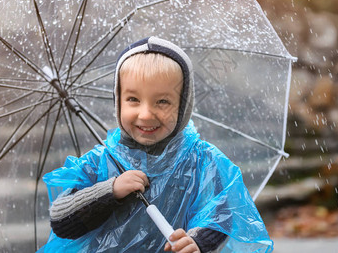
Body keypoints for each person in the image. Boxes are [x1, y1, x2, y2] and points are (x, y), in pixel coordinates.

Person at [38, 37, 273, 252]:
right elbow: (61, 221)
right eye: (133, 99)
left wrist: (195, 242)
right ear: (118, 101)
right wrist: (109, 190)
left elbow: (219, 215)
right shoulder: (99, 162)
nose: (146, 114)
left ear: (183, 106)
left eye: (162, 101)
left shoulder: (201, 160)